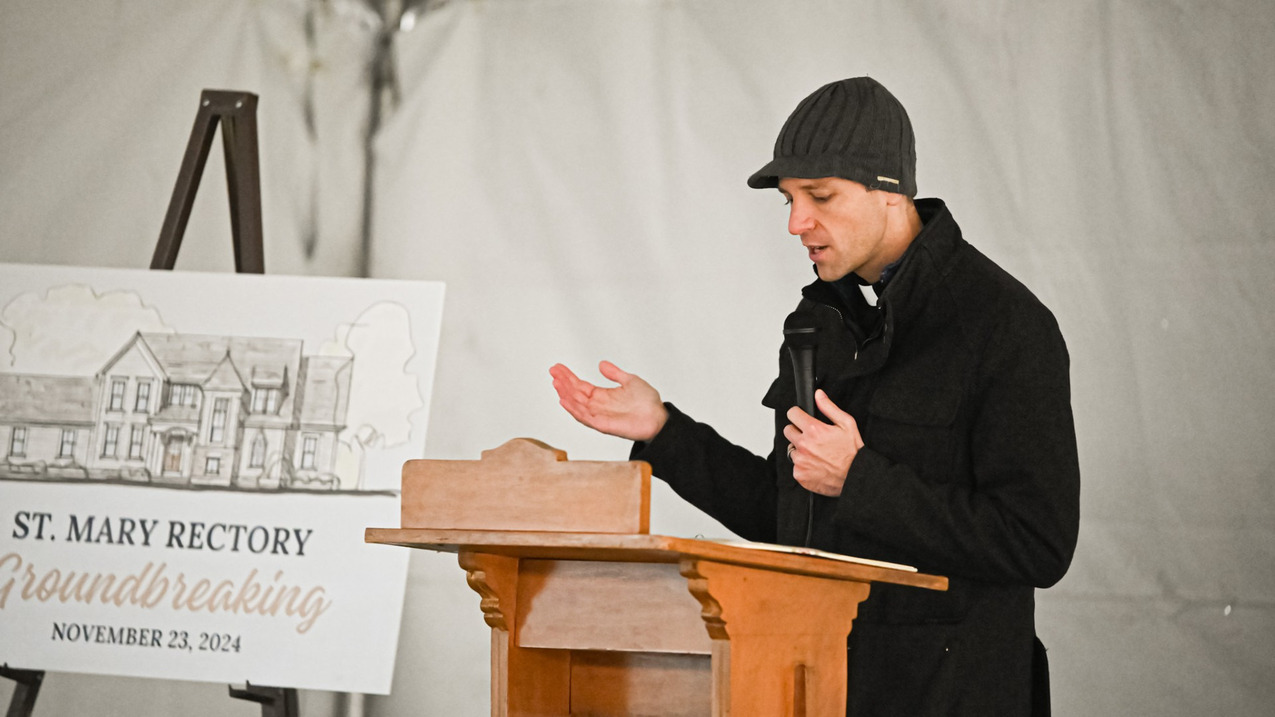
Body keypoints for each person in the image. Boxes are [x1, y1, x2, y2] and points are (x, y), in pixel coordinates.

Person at [550, 76, 1080, 716]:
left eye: (820, 196)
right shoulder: (816, 327)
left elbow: (1037, 543)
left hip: (956, 696)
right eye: (789, 201)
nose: (798, 222)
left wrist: (860, 480)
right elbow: (788, 517)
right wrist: (663, 432)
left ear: (891, 191)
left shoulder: (1005, 326)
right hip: (819, 689)